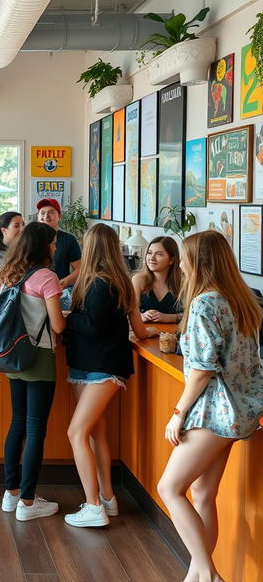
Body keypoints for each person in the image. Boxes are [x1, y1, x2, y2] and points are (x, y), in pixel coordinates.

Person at [157, 231, 263, 582]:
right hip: (241, 411)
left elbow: (202, 371)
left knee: (169, 489)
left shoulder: (204, 303)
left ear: (197, 262)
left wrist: (177, 414)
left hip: (212, 412)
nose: (181, 264)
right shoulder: (242, 299)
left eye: (185, 256)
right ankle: (196, 576)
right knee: (202, 493)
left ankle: (208, 574)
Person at [63, 223, 158, 528]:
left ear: (89, 248)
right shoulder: (123, 281)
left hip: (100, 366)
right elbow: (139, 330)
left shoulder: (98, 283)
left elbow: (90, 325)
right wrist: (153, 330)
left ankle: (93, 506)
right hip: (92, 364)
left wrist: (69, 318)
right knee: (95, 432)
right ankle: (108, 498)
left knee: (76, 433)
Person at [0, 223, 66, 521]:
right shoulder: (47, 277)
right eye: (52, 243)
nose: (54, 247)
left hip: (14, 356)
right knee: (36, 429)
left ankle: (11, 493)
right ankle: (28, 502)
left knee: (17, 423)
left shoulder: (10, 274)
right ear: (43, 246)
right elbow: (58, 325)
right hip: (39, 358)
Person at [132, 236, 183, 324]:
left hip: (174, 335)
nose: (152, 258)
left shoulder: (183, 282)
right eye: (149, 253)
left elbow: (192, 314)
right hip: (145, 334)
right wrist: (142, 316)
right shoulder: (138, 279)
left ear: (171, 260)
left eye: (159, 254)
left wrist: (169, 317)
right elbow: (131, 311)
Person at [36, 199, 81, 289]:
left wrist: (65, 282)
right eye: (42, 213)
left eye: (51, 212)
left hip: (60, 291)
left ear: (60, 216)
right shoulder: (30, 238)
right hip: (34, 291)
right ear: (38, 216)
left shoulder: (69, 239)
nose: (46, 216)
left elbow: (79, 269)